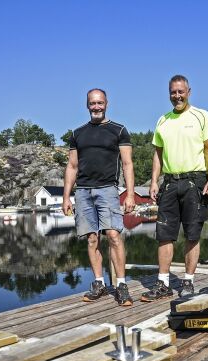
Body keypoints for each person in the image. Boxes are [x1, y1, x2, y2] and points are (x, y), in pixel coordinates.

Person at [141, 75, 208, 302]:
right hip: (170, 183)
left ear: (189, 92)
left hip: (195, 181)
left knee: (192, 234)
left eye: (181, 92)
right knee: (164, 235)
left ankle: (188, 281)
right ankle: (163, 283)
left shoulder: (201, 116)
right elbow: (157, 154)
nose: (177, 96)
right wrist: (154, 181)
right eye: (173, 92)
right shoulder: (162, 120)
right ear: (169, 94)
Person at [63, 88, 136, 306]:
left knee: (113, 235)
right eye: (92, 103)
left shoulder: (119, 130)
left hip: (107, 190)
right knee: (92, 238)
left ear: (106, 104)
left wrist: (130, 194)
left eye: (100, 103)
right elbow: (72, 166)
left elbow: (127, 164)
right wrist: (66, 196)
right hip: (83, 191)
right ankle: (99, 283)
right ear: (87, 105)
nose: (96, 107)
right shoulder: (77, 134)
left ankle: (121, 285)